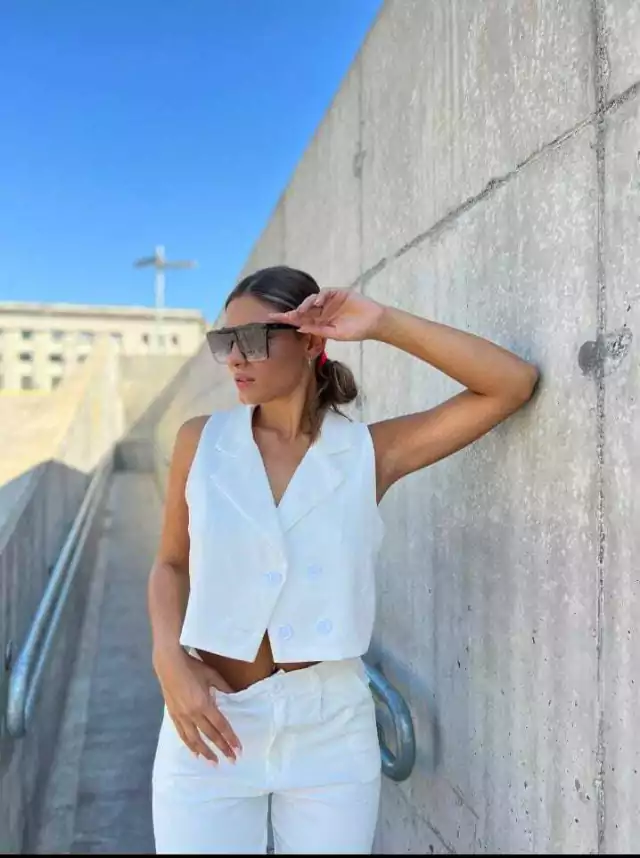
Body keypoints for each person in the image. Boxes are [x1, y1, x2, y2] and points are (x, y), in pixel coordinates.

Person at [149, 265, 538, 854]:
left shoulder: (367, 453)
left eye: (253, 338)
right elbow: (170, 564)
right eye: (225, 341)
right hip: (210, 719)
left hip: (330, 730)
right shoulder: (200, 441)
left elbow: (511, 384)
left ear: (310, 341)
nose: (235, 358)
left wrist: (382, 322)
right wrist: (167, 658)